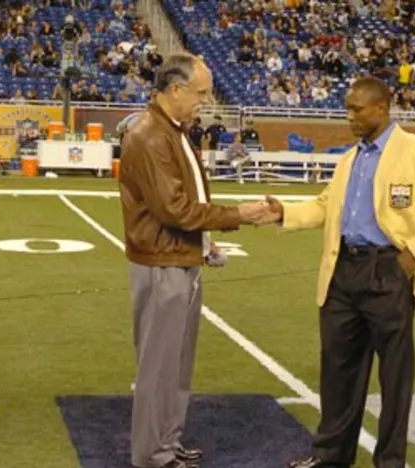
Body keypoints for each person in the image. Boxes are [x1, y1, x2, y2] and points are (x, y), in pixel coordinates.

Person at [257, 76, 415, 468]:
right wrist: (284, 212)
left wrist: (410, 258)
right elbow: (323, 207)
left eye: (356, 109)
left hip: (388, 271)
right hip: (342, 271)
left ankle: (389, 461)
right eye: (348, 108)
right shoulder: (350, 158)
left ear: (381, 109)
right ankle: (331, 456)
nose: (349, 116)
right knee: (338, 370)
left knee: (394, 377)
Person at [118, 52, 268, 468]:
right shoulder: (150, 135)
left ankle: (167, 441)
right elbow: (174, 210)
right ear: (176, 89)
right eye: (200, 93)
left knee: (177, 364)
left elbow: (185, 205)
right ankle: (152, 454)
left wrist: (203, 242)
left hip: (179, 255)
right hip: (162, 262)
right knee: (159, 367)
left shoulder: (172, 130)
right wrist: (239, 215)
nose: (205, 100)